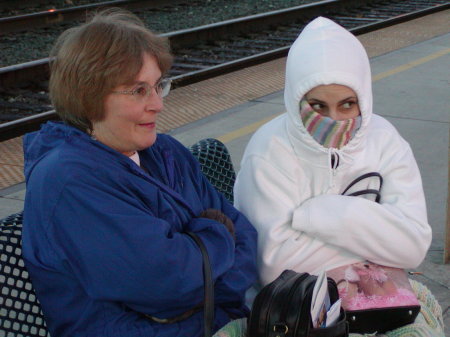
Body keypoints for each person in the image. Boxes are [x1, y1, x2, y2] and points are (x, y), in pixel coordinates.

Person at [22, 9, 257, 337]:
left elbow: (246, 237)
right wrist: (216, 233)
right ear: (89, 96)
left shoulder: (164, 151)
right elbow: (168, 283)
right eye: (138, 90)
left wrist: (199, 257)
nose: (158, 104)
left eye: (158, 86)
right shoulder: (68, 180)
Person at [234, 17, 444, 335]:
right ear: (296, 102)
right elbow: (275, 265)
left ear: (364, 100)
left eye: (347, 105)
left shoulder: (386, 141)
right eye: (318, 106)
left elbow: (413, 245)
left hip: (379, 309)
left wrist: (321, 214)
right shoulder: (270, 149)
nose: (334, 120)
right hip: (292, 313)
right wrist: (376, 249)